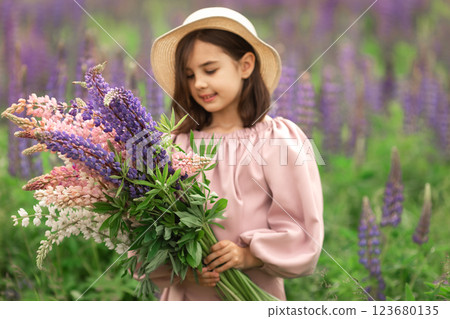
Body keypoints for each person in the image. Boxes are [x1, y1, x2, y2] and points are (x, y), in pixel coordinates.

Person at [142, 6, 324, 301]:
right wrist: (187, 269)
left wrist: (247, 255)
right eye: (189, 75)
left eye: (210, 70)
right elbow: (146, 239)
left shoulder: (278, 140)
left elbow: (303, 233)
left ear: (246, 65)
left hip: (252, 294)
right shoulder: (175, 146)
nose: (198, 83)